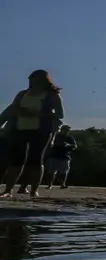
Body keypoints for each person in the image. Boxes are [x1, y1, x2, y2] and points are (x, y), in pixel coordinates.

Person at [0, 70, 65, 198]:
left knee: (36, 159)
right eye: (31, 79)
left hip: (41, 130)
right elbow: (13, 107)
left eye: (35, 79)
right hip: (20, 128)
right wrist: (20, 111)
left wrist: (38, 114)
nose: (32, 82)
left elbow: (60, 114)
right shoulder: (23, 94)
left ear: (44, 80)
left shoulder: (52, 95)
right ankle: (8, 190)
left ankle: (34, 190)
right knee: (17, 160)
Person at [42, 125, 77, 189]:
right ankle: (50, 185)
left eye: (67, 130)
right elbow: (50, 144)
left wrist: (67, 145)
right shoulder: (56, 136)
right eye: (65, 129)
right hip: (54, 156)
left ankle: (62, 184)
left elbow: (74, 146)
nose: (66, 131)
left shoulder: (70, 138)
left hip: (65, 156)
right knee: (51, 172)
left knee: (64, 172)